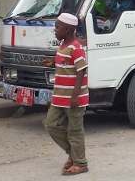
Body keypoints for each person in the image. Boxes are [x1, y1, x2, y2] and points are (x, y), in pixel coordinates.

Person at [41, 13, 89, 176]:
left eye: (57, 27)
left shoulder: (76, 47)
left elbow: (82, 70)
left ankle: (80, 163)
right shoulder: (62, 45)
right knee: (50, 124)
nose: (54, 30)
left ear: (67, 29)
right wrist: (53, 63)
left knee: (75, 130)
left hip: (73, 99)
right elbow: (65, 62)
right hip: (59, 98)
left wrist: (75, 95)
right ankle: (73, 154)